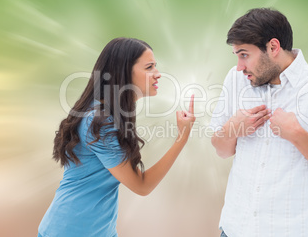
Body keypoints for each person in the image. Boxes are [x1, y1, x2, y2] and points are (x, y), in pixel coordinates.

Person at [210, 8, 308, 237]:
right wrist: (232, 128)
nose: (239, 66)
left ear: (273, 47)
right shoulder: (236, 79)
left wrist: (298, 135)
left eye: (244, 55)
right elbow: (220, 150)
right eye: (236, 56)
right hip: (235, 228)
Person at [38, 37, 195, 237]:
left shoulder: (107, 114)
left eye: (156, 66)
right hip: (70, 230)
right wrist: (182, 137)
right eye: (149, 67)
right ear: (123, 72)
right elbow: (142, 185)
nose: (158, 74)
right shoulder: (100, 122)